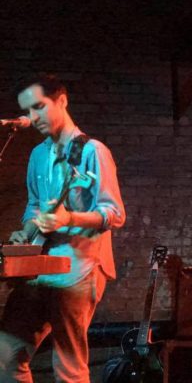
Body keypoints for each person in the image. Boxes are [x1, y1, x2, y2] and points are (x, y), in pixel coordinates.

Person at [0, 75, 126, 382]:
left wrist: (70, 219)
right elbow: (34, 206)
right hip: (41, 266)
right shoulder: (38, 154)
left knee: (68, 367)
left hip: (81, 267)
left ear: (62, 101)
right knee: (6, 355)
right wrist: (26, 234)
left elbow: (114, 213)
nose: (33, 118)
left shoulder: (92, 152)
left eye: (39, 107)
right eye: (27, 111)